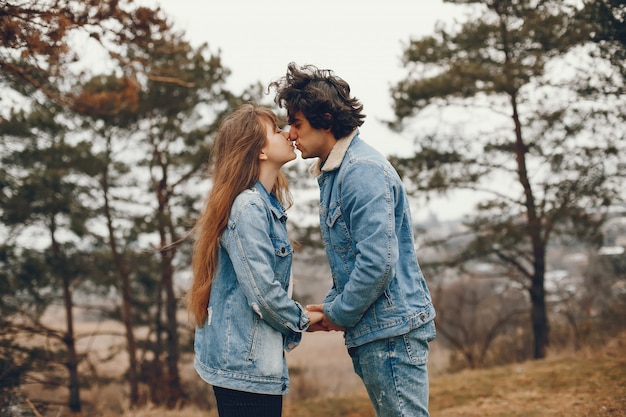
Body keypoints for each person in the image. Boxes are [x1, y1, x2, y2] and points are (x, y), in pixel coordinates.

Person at [269, 63, 437, 417]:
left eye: (297, 123)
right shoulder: (338, 172)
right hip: (379, 330)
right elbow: (351, 260)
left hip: (391, 332)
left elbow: (377, 264)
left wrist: (337, 313)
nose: (291, 133)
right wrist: (331, 306)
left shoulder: (361, 172)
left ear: (325, 120)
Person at [187, 103, 323, 417]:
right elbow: (263, 294)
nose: (288, 134)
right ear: (259, 151)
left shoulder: (265, 205)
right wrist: (307, 319)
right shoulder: (249, 207)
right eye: (276, 131)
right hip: (243, 367)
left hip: (248, 363)